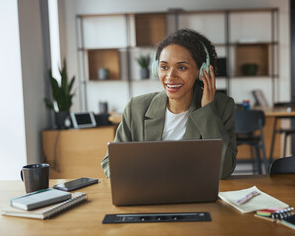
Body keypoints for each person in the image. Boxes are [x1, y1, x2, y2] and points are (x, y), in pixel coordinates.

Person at [101, 29, 237, 179]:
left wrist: (207, 111)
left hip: (195, 198)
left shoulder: (222, 106)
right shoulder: (136, 108)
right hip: (148, 196)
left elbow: (224, 170)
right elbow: (110, 164)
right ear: (155, 69)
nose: (170, 76)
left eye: (182, 67)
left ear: (201, 71)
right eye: (164, 67)